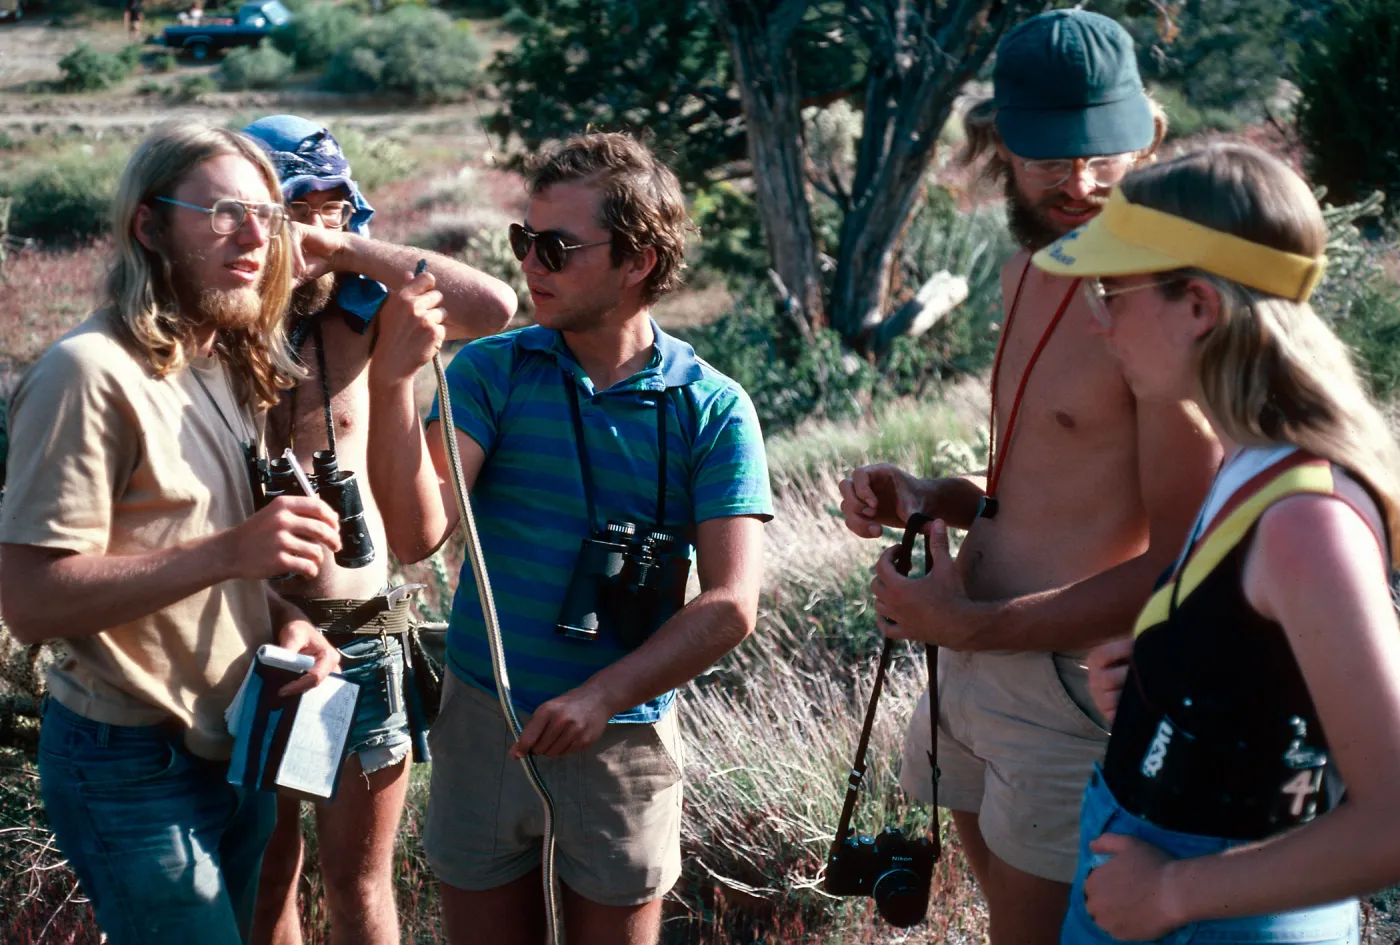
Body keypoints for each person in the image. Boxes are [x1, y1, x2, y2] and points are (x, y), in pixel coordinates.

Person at [838, 10, 1221, 942]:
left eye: (1103, 154)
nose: (1079, 183)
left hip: (1071, 685)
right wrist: (936, 495)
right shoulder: (1028, 269)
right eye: (1050, 155)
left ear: (1150, 137)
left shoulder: (1163, 303)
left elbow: (1186, 563)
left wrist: (972, 623)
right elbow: (1043, 478)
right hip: (973, 664)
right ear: (999, 142)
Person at [367, 132, 773, 945]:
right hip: (483, 719)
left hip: (622, 735)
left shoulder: (711, 409)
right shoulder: (492, 372)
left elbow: (732, 604)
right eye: (524, 240)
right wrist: (390, 383)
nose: (530, 264)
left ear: (638, 261)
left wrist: (602, 698)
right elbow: (416, 533)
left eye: (556, 247)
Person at [1032, 142, 1400, 945]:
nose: (1099, 320)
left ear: (1198, 305)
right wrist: (1161, 682)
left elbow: (1393, 821)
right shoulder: (1247, 462)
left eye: (1112, 290)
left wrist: (1173, 891)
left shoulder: (1305, 521)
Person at [0, 121, 342, 945]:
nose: (256, 238)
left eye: (267, 214)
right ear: (148, 226)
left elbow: (205, 557)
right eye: (224, 213)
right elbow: (30, 600)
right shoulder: (88, 374)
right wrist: (231, 551)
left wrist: (285, 619)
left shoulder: (219, 361)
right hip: (130, 763)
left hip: (234, 744)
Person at [239, 114, 518, 945]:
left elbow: (493, 304)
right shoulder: (213, 323)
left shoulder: (359, 314)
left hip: (357, 637)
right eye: (297, 209)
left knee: (358, 887)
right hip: (245, 641)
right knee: (264, 877)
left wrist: (343, 247)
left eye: (333, 206)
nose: (314, 228)